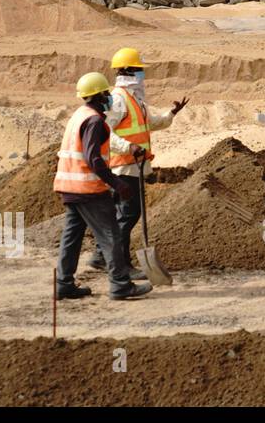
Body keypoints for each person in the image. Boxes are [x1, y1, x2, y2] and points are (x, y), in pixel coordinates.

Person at [88, 47, 188, 279]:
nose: (142, 75)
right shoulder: (120, 100)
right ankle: (119, 263)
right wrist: (128, 147)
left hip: (132, 166)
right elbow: (106, 132)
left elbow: (150, 123)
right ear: (128, 72)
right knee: (129, 214)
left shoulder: (135, 101)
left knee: (120, 214)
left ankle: (101, 256)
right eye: (139, 71)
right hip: (123, 166)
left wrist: (172, 113)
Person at [55, 72, 152, 301]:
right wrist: (117, 184)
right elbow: (93, 158)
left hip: (69, 186)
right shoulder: (95, 121)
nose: (109, 97)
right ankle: (120, 285)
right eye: (106, 93)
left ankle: (63, 283)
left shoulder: (79, 114)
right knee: (111, 235)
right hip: (88, 189)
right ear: (98, 95)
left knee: (72, 236)